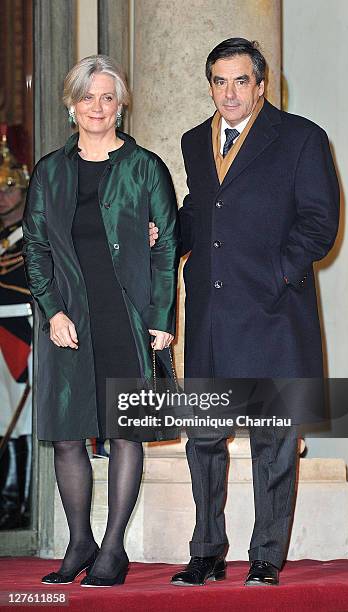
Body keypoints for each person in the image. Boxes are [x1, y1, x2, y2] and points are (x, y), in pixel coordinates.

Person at [157, 38, 338, 586]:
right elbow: (199, 210)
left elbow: (318, 225)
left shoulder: (302, 138)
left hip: (275, 315)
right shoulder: (195, 141)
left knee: (272, 441)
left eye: (240, 81)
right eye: (219, 81)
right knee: (205, 439)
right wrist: (164, 235)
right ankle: (207, 551)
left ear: (261, 85)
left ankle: (266, 558)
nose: (229, 92)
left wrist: (275, 276)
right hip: (211, 313)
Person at [22, 55, 180, 587]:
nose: (97, 107)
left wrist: (160, 318)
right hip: (68, 318)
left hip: (126, 316)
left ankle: (112, 548)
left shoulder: (145, 167)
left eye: (108, 97)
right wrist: (52, 310)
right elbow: (37, 247)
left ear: (121, 105)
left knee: (125, 432)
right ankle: (79, 541)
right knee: (69, 435)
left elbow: (167, 246)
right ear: (72, 105)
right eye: (87, 97)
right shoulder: (50, 170)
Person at [0, 131, 32, 530]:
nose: (4, 197)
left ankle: (15, 501)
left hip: (22, 330)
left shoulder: (29, 235)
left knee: (19, 419)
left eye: (10, 188)